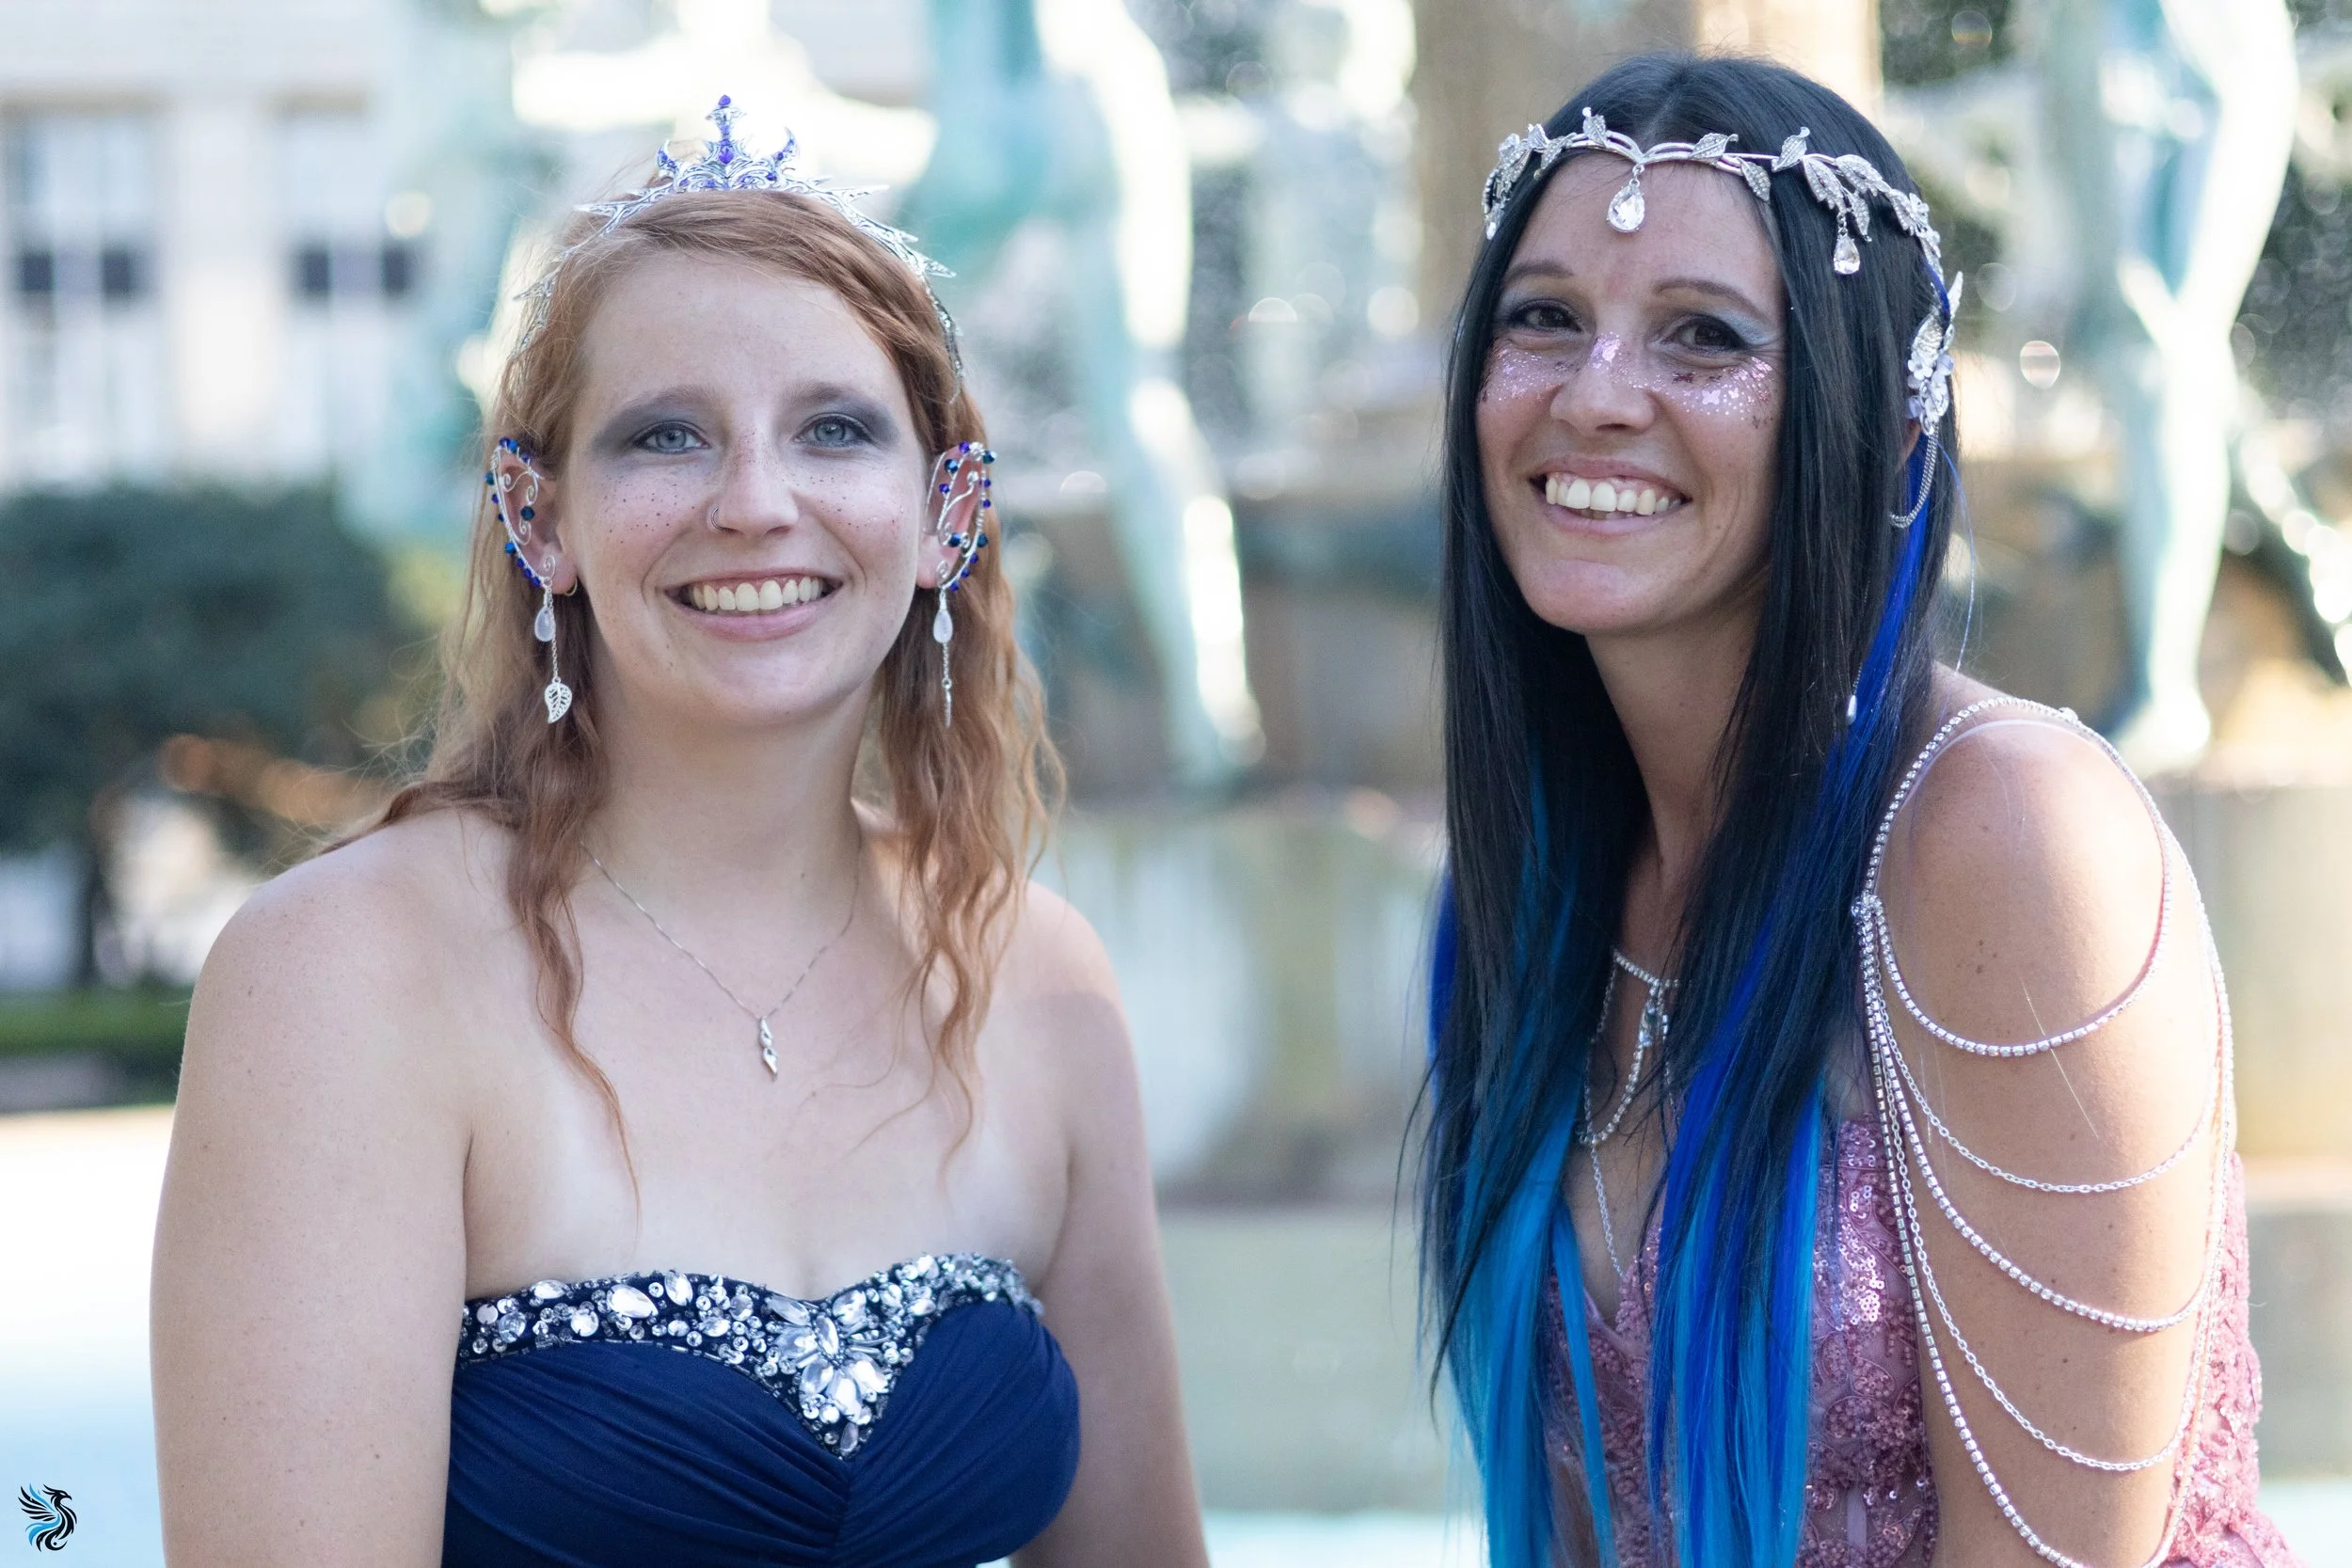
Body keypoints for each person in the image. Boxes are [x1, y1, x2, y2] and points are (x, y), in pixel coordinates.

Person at [151, 103, 1208, 1568]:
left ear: (945, 512)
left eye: (833, 429)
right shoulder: (341, 977)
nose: (757, 504)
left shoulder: (1039, 979)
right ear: (541, 516)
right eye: (667, 437)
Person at [1420, 55, 2298, 1568]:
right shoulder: (1533, 881)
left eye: (1703, 338)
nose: (1598, 392)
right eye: (1544, 316)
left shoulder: (1999, 833)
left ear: (1882, 429)